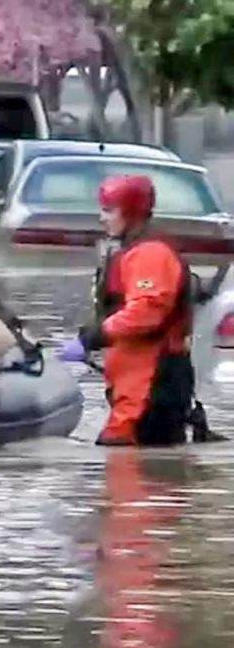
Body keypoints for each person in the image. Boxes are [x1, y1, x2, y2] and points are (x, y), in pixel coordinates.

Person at [64, 175, 207, 446]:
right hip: (135, 385)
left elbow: (147, 311)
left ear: (130, 212)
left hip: (150, 382)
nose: (101, 218)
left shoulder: (151, 253)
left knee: (131, 470)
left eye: (109, 210)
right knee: (131, 465)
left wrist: (97, 334)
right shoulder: (132, 251)